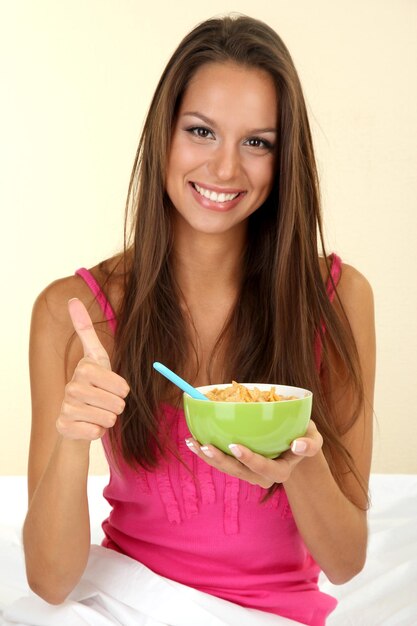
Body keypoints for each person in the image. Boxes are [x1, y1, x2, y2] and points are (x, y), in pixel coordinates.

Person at [19, 13, 375, 626]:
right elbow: (50, 582)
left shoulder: (338, 298)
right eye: (201, 131)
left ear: (284, 159)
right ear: (164, 134)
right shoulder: (71, 312)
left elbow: (345, 562)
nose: (224, 169)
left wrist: (304, 465)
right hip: (123, 603)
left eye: (257, 142)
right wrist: (73, 442)